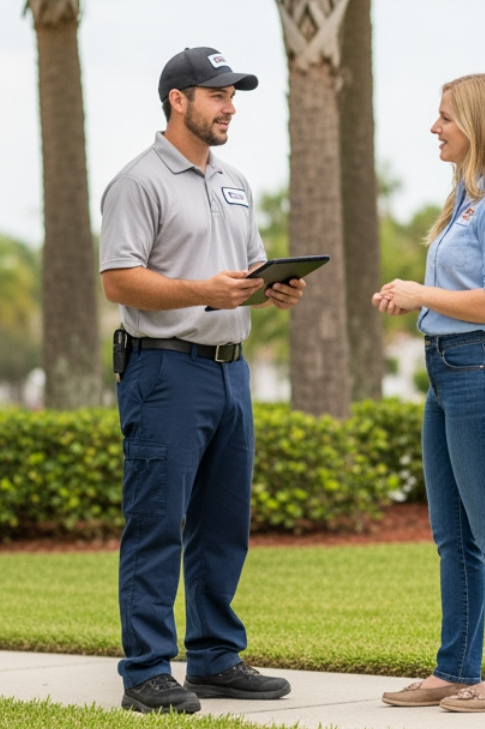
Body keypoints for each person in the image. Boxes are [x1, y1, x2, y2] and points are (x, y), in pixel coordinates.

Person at [99, 46, 306, 714]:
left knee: (223, 525)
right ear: (177, 100)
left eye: (233, 94)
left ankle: (215, 659)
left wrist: (270, 286)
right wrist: (203, 292)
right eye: (217, 94)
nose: (231, 106)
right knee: (158, 521)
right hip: (164, 370)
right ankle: (146, 672)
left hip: (230, 373)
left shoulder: (233, 181)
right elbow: (118, 280)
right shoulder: (138, 182)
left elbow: (241, 273)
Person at [372, 72, 485, 714]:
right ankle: (455, 669)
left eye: (446, 116)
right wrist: (419, 304)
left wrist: (421, 294)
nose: (435, 127)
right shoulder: (467, 200)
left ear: (479, 124)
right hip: (451, 370)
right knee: (453, 536)